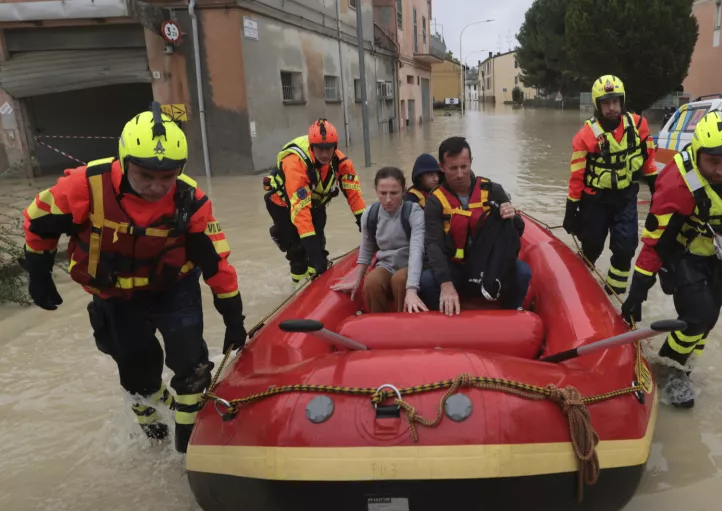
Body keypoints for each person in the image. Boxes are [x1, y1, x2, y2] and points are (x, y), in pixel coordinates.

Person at [19, 102, 247, 453]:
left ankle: (189, 448)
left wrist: (234, 317)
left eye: (167, 177)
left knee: (192, 363)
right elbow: (38, 220)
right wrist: (39, 272)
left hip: (174, 289)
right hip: (115, 295)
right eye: (145, 175)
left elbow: (215, 262)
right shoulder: (85, 186)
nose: (157, 187)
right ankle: (151, 423)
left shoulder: (191, 201)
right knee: (137, 368)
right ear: (124, 162)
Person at [620, 111, 722, 409]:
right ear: (698, 151)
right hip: (680, 253)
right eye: (713, 161)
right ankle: (669, 368)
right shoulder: (676, 182)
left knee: (709, 320)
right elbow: (654, 242)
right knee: (698, 315)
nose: (721, 170)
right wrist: (638, 290)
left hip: (720, 255)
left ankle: (685, 367)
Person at [563, 74, 658, 295]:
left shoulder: (639, 126)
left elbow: (649, 161)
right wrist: (571, 210)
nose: (612, 108)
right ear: (597, 105)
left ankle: (613, 295)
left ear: (622, 101)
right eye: (606, 103)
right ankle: (580, 286)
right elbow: (577, 177)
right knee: (592, 245)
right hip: (595, 199)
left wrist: (657, 193)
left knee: (626, 248)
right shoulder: (585, 136)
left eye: (616, 101)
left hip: (625, 198)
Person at [419, 136, 532, 316]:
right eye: (453, 168)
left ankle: (510, 316)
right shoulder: (435, 201)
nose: (459, 174)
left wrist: (513, 217)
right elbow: (433, 244)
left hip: (489, 264)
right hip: (456, 267)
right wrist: (445, 283)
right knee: (426, 281)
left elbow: (516, 232)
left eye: (464, 166)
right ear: (441, 167)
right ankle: (443, 321)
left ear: (471, 162)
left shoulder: (493, 190)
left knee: (522, 272)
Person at [264, 119, 366, 282]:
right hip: (282, 204)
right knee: (298, 252)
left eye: (329, 149)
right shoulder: (295, 164)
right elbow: (300, 212)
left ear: (335, 147)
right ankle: (297, 286)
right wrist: (312, 252)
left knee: (319, 247)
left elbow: (354, 195)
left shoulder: (342, 163)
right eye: (320, 149)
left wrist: (366, 226)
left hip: (315, 204)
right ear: (312, 148)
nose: (325, 154)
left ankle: (315, 278)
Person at [332, 167, 428, 313]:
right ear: (376, 191)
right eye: (383, 193)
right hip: (386, 265)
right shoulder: (370, 214)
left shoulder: (414, 213)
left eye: (394, 193)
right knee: (371, 282)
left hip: (408, 265)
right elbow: (366, 249)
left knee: (399, 280)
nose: (388, 199)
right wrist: (356, 281)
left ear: (404, 190)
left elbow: (416, 251)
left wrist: (412, 289)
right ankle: (379, 324)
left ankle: (405, 321)